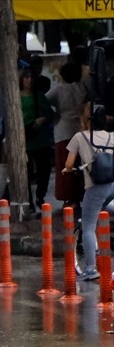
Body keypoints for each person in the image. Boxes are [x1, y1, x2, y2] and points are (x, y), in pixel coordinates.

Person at [63, 105, 114, 282]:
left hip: (95, 187)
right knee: (107, 206)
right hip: (112, 186)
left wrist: (67, 169)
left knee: (88, 226)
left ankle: (91, 269)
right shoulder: (112, 136)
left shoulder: (80, 136)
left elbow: (69, 163)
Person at [47, 61, 87, 209]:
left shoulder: (58, 90)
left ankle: (68, 198)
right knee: (80, 166)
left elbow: (44, 101)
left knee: (65, 165)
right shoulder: (82, 88)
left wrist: (54, 115)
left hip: (63, 130)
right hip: (80, 129)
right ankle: (79, 195)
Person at [20, 67, 55, 209]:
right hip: (24, 139)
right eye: (26, 77)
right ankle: (28, 200)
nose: (29, 80)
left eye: (31, 77)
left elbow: (50, 114)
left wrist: (42, 119)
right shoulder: (16, 96)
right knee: (25, 172)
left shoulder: (39, 96)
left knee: (44, 169)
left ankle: (40, 196)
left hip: (40, 138)